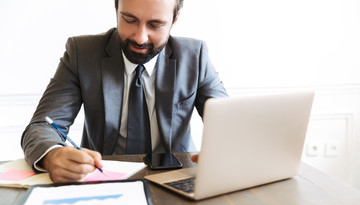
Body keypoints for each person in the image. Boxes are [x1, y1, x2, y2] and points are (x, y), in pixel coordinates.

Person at [21, 0, 228, 183]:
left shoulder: (195, 56)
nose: (140, 38)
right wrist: (53, 155)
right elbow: (41, 126)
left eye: (155, 25)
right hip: (103, 178)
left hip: (177, 176)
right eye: (129, 20)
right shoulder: (81, 53)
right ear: (116, 9)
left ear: (175, 19)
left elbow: (229, 123)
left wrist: (226, 151)